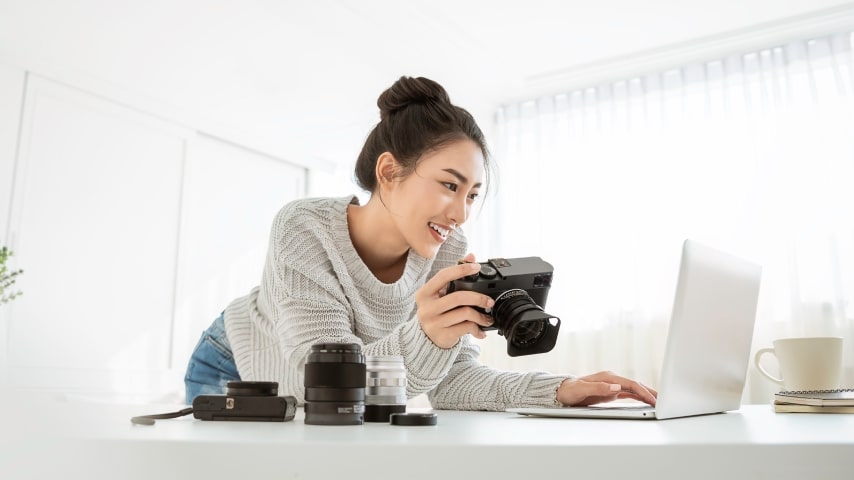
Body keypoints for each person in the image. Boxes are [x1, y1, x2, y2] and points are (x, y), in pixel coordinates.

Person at [184, 75, 657, 410]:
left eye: (472, 194)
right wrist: (427, 336)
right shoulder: (304, 228)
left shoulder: (448, 250)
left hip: (335, 393)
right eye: (450, 186)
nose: (461, 213)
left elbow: (455, 384)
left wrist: (559, 390)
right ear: (388, 173)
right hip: (239, 365)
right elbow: (320, 382)